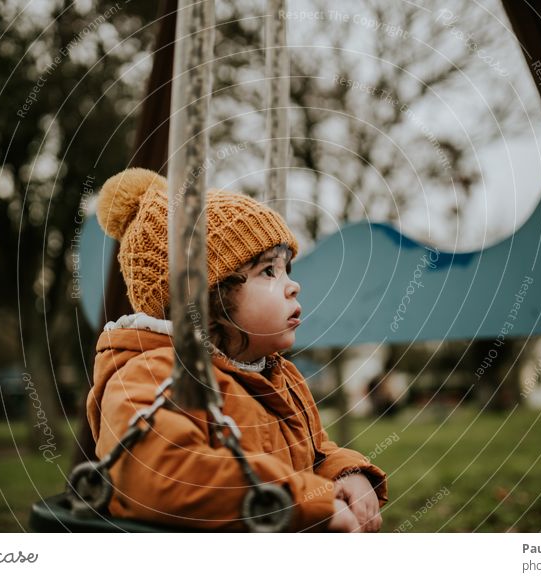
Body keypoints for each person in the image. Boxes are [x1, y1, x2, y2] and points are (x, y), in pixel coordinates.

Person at [87, 168, 388, 532]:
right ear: (205, 296)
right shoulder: (152, 376)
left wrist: (347, 474)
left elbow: (314, 451)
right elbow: (163, 476)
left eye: (287, 270)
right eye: (267, 272)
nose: (293, 287)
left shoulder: (277, 374)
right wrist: (309, 503)